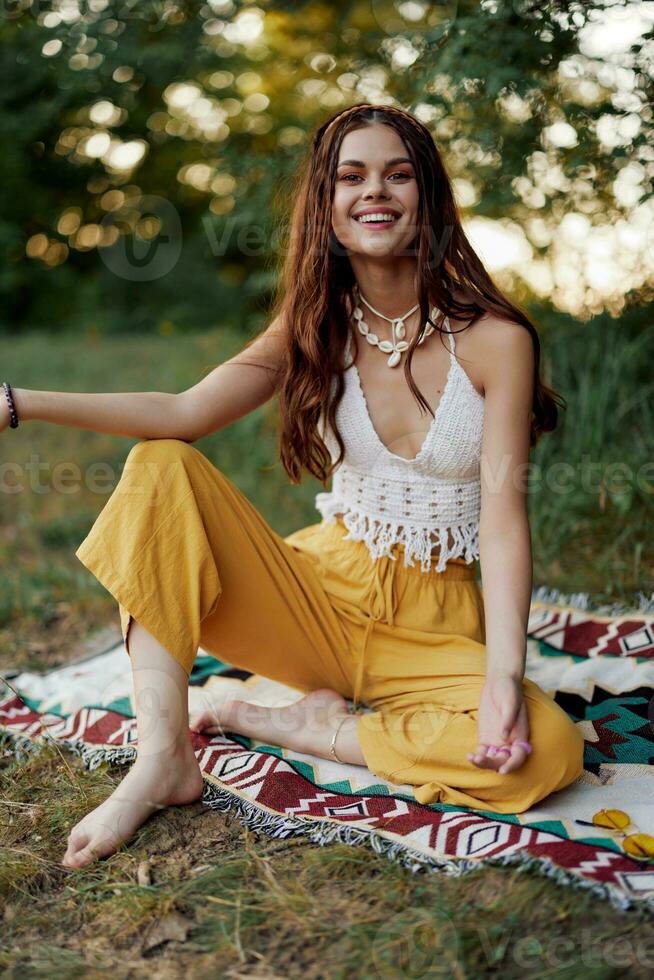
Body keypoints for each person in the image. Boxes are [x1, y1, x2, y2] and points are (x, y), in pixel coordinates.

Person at [1, 103, 584, 870]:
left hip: (433, 624)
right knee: (161, 463)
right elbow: (181, 411)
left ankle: (299, 725)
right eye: (352, 176)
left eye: (398, 174)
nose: (375, 191)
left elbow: (505, 521)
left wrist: (506, 676)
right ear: (328, 208)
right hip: (318, 596)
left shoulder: (496, 341)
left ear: (428, 198)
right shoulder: (315, 323)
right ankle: (163, 756)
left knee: (546, 748)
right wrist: (18, 402)